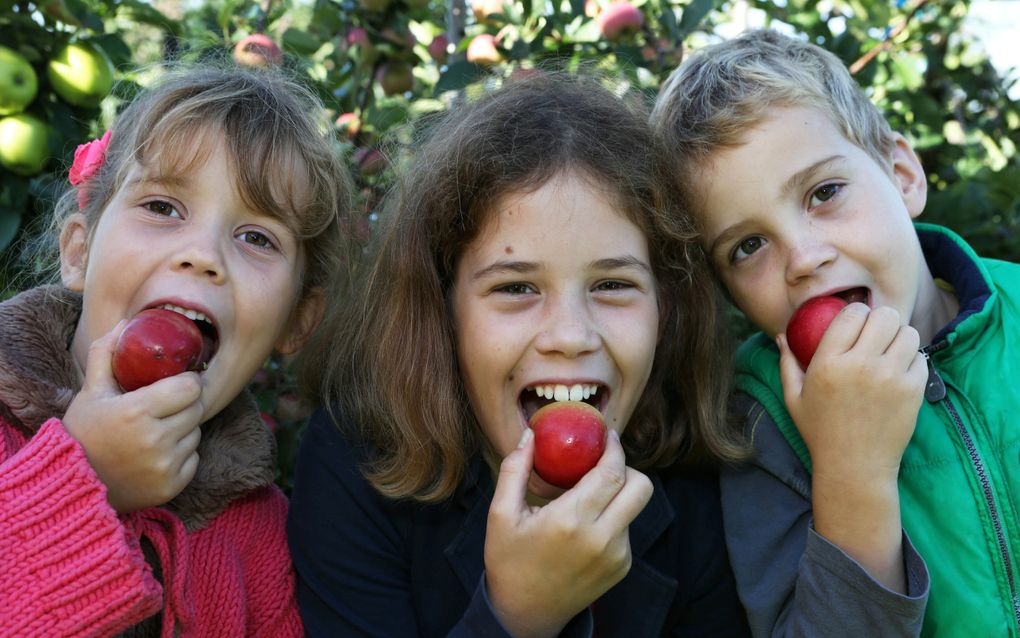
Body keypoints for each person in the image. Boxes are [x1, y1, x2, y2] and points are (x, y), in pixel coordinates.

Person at [287, 71, 751, 637]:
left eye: (612, 285)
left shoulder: (697, 484)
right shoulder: (354, 469)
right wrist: (517, 618)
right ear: (443, 311)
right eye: (515, 288)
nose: (571, 335)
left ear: (666, 308)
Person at [651, 27, 1020, 636]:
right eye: (748, 246)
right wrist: (851, 471)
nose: (802, 258)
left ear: (903, 175)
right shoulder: (760, 421)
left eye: (824, 193)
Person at [0, 63, 355, 637]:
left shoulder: (261, 539)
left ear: (297, 322)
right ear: (79, 252)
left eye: (257, 238)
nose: (203, 253)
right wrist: (87, 479)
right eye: (162, 207)